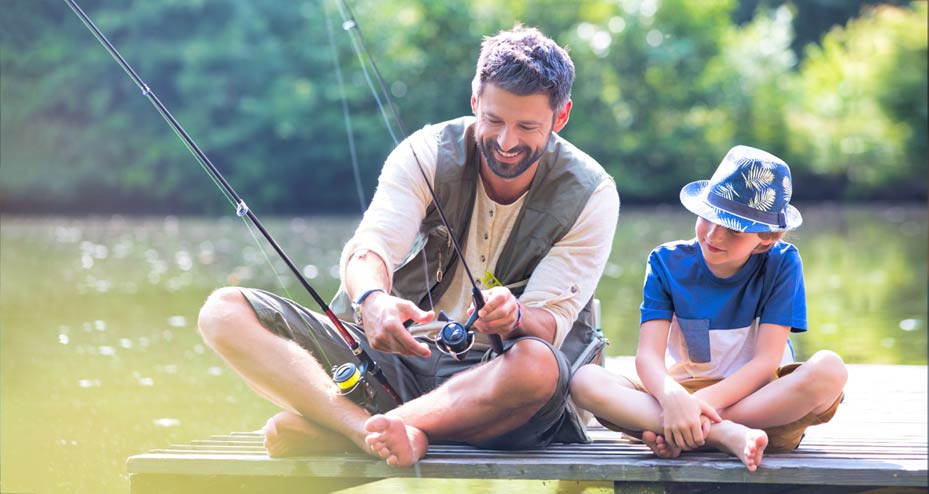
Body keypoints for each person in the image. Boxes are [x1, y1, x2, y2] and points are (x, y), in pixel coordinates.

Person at [197, 24, 619, 467]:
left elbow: (549, 327)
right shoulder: (426, 152)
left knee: (537, 366)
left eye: (527, 126)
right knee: (222, 312)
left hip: (501, 382)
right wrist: (372, 299)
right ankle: (369, 430)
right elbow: (371, 247)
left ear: (561, 116)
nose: (506, 141)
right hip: (398, 361)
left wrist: (512, 315)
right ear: (475, 102)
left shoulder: (592, 192)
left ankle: (357, 425)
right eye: (493, 120)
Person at [570, 145, 846, 472]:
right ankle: (723, 435)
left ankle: (686, 432)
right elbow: (648, 357)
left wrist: (690, 412)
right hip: (678, 394)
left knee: (831, 370)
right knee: (585, 380)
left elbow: (764, 364)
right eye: (709, 216)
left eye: (733, 228)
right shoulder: (666, 262)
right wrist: (673, 398)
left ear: (768, 236)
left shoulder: (782, 263)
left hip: (759, 405)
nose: (714, 235)